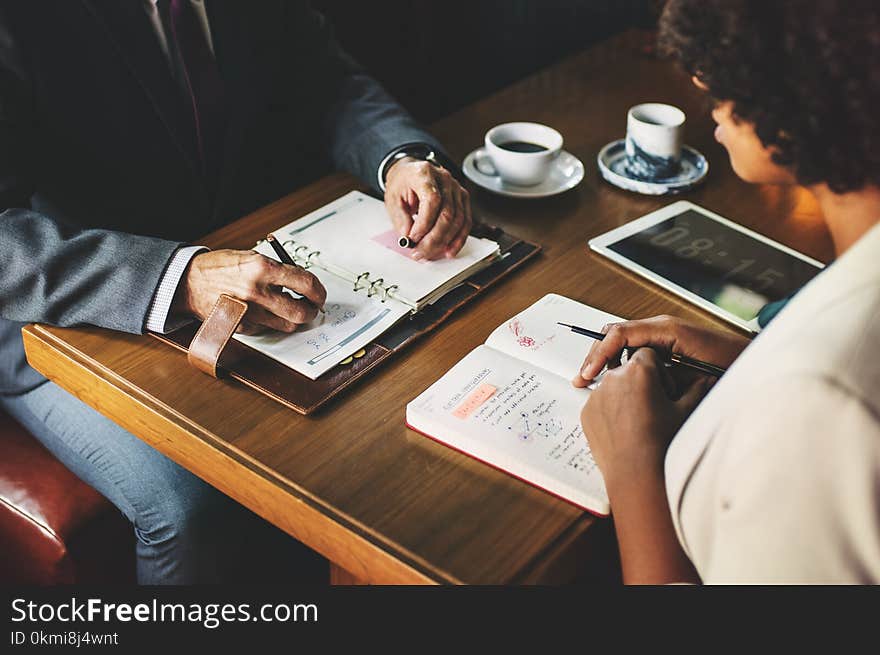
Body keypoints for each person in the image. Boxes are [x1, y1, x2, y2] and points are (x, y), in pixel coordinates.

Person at [0, 0, 471, 583]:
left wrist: (399, 158)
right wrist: (181, 276)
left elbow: (325, 79)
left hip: (245, 267)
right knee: (190, 506)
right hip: (62, 314)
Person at [574, 0, 880, 583]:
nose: (699, 79)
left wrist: (635, 469)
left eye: (727, 53)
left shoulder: (822, 402)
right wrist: (752, 363)